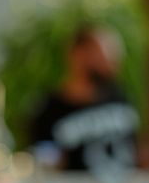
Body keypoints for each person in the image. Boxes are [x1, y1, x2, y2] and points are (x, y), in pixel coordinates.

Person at [27, 25, 140, 174]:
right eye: (103, 55)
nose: (112, 64)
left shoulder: (119, 98)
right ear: (78, 55)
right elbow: (43, 160)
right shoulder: (49, 109)